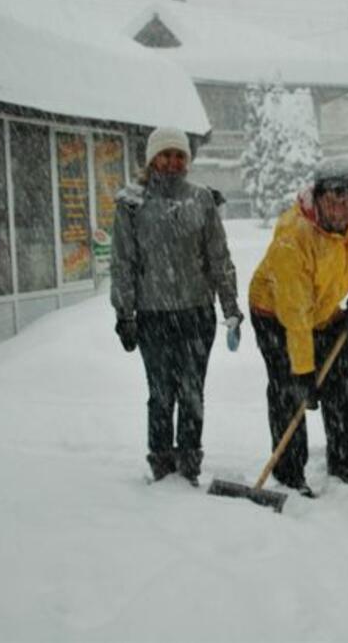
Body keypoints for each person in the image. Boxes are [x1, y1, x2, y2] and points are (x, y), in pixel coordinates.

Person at [110, 126, 243, 486]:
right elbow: (123, 262)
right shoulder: (132, 204)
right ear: (152, 159)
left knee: (191, 393)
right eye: (165, 155)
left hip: (196, 314)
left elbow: (218, 258)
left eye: (179, 155)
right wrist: (124, 313)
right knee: (160, 394)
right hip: (153, 315)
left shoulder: (201, 200)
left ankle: (188, 462)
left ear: (187, 160)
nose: (172, 162)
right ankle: (161, 463)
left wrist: (230, 308)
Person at [248, 159, 348, 497]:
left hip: (324, 308)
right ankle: (290, 473)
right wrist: (303, 372)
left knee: (347, 380)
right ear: (318, 198)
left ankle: (344, 460)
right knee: (289, 391)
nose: (342, 210)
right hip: (275, 312)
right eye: (332, 201)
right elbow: (295, 317)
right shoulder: (293, 238)